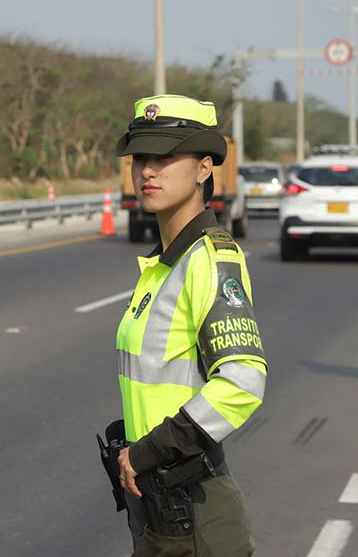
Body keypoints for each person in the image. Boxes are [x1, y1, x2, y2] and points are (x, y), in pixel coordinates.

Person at [113, 95, 266, 556]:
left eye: (164, 157)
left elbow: (242, 381)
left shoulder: (211, 259)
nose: (147, 171)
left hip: (195, 512)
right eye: (141, 157)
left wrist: (146, 452)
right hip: (159, 508)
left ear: (204, 168)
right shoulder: (162, 265)